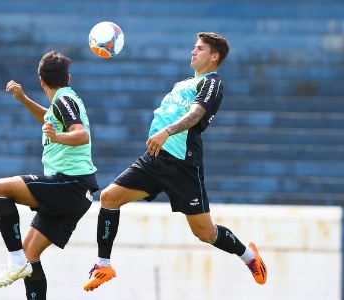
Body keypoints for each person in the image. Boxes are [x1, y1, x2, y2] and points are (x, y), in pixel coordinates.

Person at [83, 32, 267, 292]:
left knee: (204, 232)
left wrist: (167, 131)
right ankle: (103, 265)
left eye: (200, 48)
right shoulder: (181, 84)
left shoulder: (212, 83)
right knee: (110, 197)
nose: (193, 51)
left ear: (214, 57)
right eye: (194, 47)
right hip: (154, 159)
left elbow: (196, 113)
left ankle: (248, 256)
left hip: (182, 165)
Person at [0, 51, 99, 300]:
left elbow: (81, 134)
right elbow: (50, 118)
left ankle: (14, 261)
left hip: (70, 184)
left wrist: (57, 137)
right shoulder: (61, 101)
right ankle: (20, 261)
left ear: (41, 80)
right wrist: (24, 99)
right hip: (74, 190)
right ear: (67, 77)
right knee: (30, 253)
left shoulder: (63, 100)